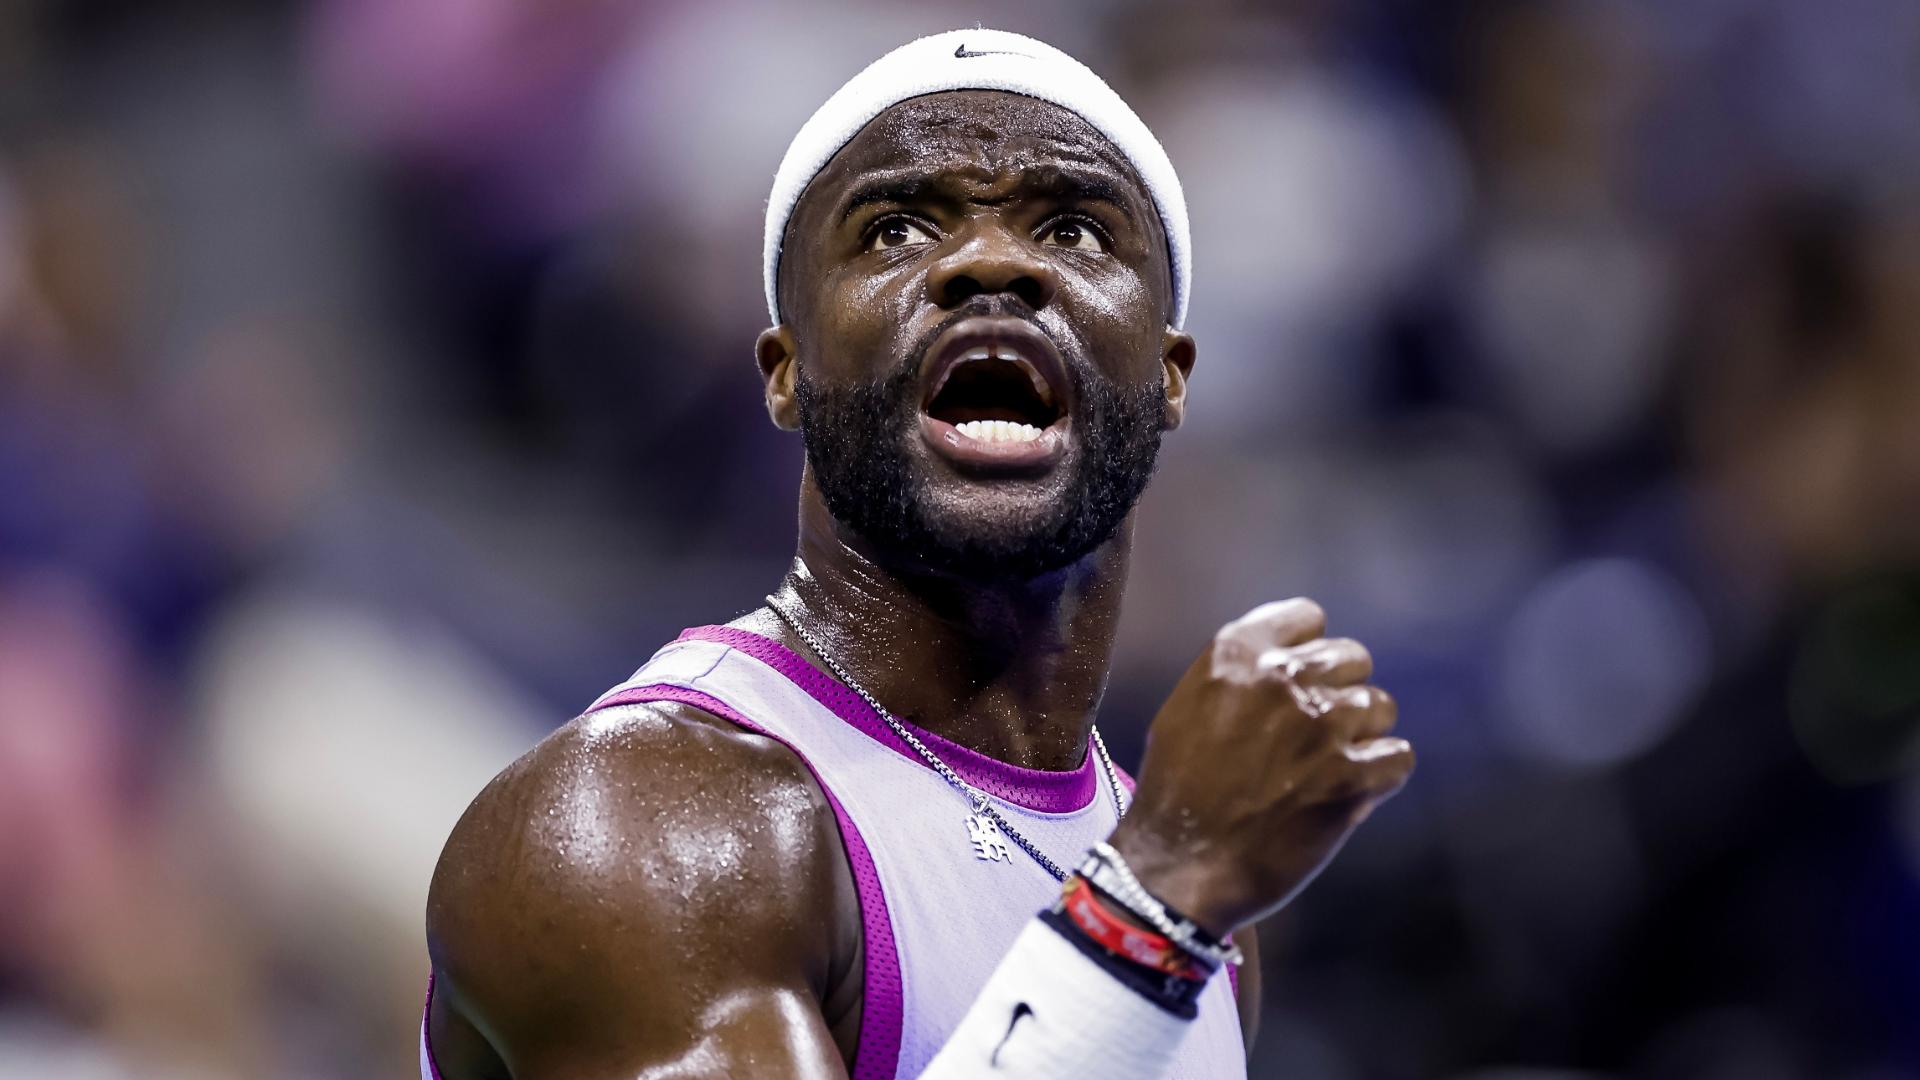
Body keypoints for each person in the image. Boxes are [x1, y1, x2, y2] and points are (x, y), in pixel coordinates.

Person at [421, 28, 1413, 1080]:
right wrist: (1156, 904)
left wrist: (1162, 896)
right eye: (895, 229)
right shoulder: (640, 822)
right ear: (785, 372)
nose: (992, 263)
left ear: (1169, 375)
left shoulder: (1177, 878)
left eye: (1075, 230)